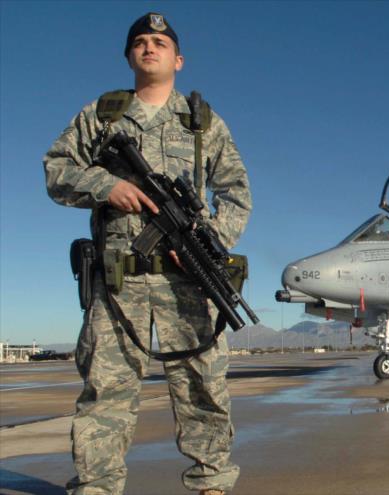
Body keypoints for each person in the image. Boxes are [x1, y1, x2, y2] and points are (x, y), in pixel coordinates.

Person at [44, 12, 251, 495]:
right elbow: (56, 170)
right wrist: (105, 183)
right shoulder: (101, 115)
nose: (149, 47)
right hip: (118, 283)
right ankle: (97, 486)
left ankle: (212, 482)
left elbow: (237, 192)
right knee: (106, 392)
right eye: (140, 41)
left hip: (188, 278)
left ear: (178, 59)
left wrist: (209, 242)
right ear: (129, 56)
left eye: (160, 41)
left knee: (203, 385)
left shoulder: (202, 123)